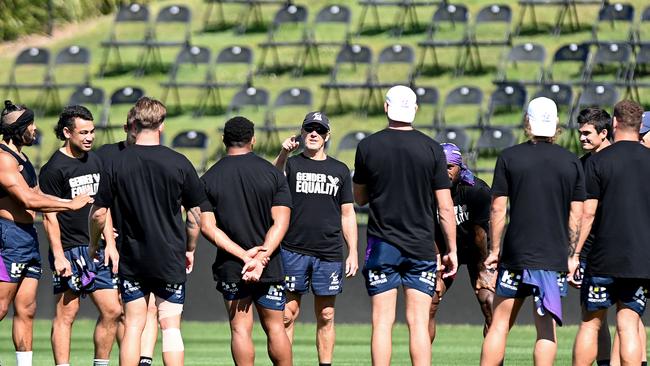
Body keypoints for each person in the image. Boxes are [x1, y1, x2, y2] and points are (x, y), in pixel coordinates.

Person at [89, 97, 204, 366]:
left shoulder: (116, 163)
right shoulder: (179, 162)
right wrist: (190, 249)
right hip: (170, 257)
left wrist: (95, 244)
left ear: (134, 123)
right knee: (171, 326)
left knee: (133, 325)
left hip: (134, 259)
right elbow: (195, 217)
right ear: (161, 125)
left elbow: (98, 213)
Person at [353, 85, 458, 366]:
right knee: (418, 323)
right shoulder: (432, 149)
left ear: (386, 108)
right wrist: (452, 250)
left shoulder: (367, 146)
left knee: (382, 323)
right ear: (415, 110)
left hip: (381, 245)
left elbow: (359, 198)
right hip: (421, 246)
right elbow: (445, 207)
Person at [481, 97, 585, 366]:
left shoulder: (510, 157)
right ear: (557, 125)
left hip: (516, 253)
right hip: (552, 256)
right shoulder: (571, 162)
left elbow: (497, 208)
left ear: (528, 122)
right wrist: (572, 254)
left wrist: (494, 250)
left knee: (499, 325)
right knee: (546, 329)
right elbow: (578, 213)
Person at [0, 100, 92, 366]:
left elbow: (39, 195)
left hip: (27, 236)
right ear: (19, 129)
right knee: (2, 307)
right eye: (31, 125)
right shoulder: (3, 159)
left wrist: (60, 205)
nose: (35, 129)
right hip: (9, 238)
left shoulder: (22, 157)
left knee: (27, 309)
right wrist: (68, 203)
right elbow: (27, 200)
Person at [200, 116, 292, 366]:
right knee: (276, 328)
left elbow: (208, 227)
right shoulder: (272, 174)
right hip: (269, 263)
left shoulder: (209, 178)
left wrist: (245, 257)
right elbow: (281, 222)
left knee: (240, 329)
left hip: (233, 265)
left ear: (223, 140)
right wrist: (260, 258)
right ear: (253, 139)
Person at [273, 111, 358, 366]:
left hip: (328, 252)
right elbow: (273, 181)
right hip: (293, 249)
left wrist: (353, 250)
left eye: (319, 130)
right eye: (309, 128)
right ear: (301, 132)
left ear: (327, 136)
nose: (313, 133)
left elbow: (347, 213)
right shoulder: (292, 164)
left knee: (327, 314)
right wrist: (283, 154)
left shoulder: (340, 170)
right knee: (287, 315)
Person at [39, 106, 121, 366]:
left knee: (113, 310)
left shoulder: (95, 160)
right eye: (83, 132)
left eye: (92, 131)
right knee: (67, 313)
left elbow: (102, 208)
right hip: (70, 249)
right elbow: (49, 216)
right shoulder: (53, 168)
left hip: (95, 248)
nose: (89, 137)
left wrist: (110, 242)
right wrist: (59, 256)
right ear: (66, 132)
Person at [573, 100, 650, 366]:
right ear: (640, 125)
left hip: (603, 257)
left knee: (590, 324)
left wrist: (574, 254)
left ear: (614, 123)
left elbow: (588, 213)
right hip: (640, 258)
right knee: (628, 323)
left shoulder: (598, 161)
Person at [95, 103, 159, 366]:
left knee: (150, 308)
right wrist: (107, 238)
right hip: (116, 244)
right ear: (128, 128)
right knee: (119, 311)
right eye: (133, 128)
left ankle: (143, 360)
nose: (137, 132)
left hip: (149, 244)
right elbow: (100, 204)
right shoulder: (108, 156)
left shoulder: (157, 156)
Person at [429, 143, 494, 342]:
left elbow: (480, 235)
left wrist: (483, 270)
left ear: (460, 167)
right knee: (429, 302)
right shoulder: (426, 191)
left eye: (449, 167)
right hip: (443, 250)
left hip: (477, 251)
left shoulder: (477, 190)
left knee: (490, 302)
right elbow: (429, 231)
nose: (445, 172)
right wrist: (438, 266)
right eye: (440, 167)